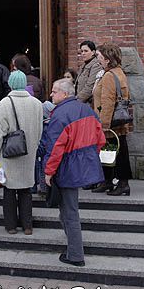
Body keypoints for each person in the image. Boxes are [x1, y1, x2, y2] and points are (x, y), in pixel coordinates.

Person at [44, 79, 105, 266]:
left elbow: (54, 148)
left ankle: (75, 255)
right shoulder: (87, 110)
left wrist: (48, 172)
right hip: (83, 164)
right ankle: (73, 249)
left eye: (54, 92)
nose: (51, 95)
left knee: (69, 212)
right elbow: (100, 139)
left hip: (66, 167)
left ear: (65, 94)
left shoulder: (60, 115)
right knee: (68, 211)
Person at [0, 70, 43, 235]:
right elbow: (39, 130)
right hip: (29, 152)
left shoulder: (4, 103)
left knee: (9, 189)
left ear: (11, 84)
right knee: (26, 190)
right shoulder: (37, 103)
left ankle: (11, 226)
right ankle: (27, 225)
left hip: (10, 152)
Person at [92, 42, 132, 196]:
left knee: (117, 153)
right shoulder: (119, 72)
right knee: (112, 151)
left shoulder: (109, 76)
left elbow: (107, 102)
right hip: (117, 122)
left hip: (110, 123)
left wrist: (104, 125)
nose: (98, 60)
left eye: (99, 57)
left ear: (107, 59)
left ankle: (121, 184)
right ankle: (108, 181)